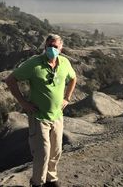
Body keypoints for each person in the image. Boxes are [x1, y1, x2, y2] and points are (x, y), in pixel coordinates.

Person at [5, 34, 77, 187]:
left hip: (57, 116)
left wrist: (67, 98)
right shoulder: (34, 64)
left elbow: (73, 78)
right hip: (39, 117)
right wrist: (23, 103)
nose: (51, 49)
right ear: (44, 47)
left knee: (56, 152)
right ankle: (37, 183)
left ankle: (51, 180)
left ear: (61, 48)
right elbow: (11, 80)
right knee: (42, 154)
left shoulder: (64, 62)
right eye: (48, 46)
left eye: (55, 46)